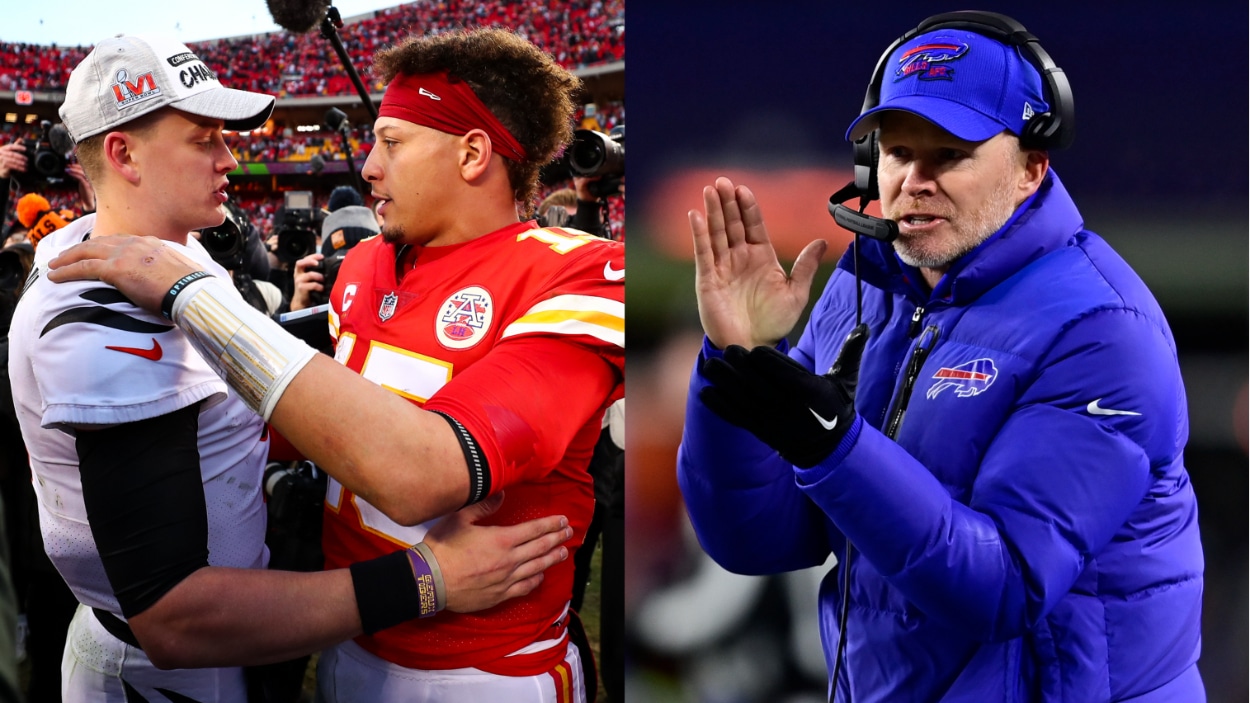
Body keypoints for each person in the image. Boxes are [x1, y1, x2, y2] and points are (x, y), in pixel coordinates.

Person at [46, 27, 624, 703]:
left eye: (393, 141)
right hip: (352, 630)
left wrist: (196, 297)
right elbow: (334, 416)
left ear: (472, 153)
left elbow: (424, 474)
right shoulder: (371, 263)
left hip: (484, 667)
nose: (369, 167)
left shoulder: (583, 274)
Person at [676, 11, 1203, 702]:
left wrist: (837, 447)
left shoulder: (1103, 330)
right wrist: (736, 359)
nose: (913, 179)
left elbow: (1004, 587)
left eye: (949, 154)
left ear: (1031, 168)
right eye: (896, 153)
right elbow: (756, 539)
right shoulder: (866, 286)